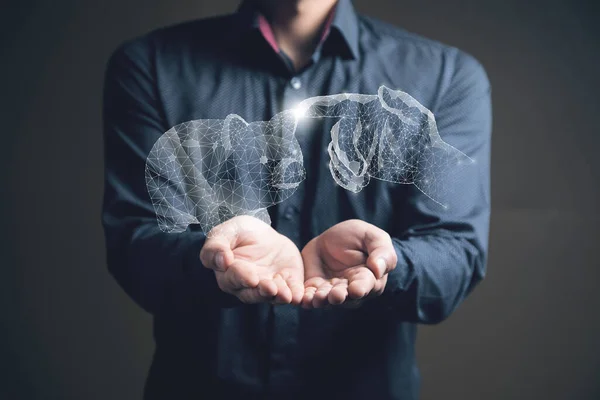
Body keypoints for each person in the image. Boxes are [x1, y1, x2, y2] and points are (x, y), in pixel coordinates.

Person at [101, 0, 492, 398]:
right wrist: (217, 262)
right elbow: (134, 245)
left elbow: (458, 250)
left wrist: (384, 264)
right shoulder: (151, 66)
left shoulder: (444, 76)